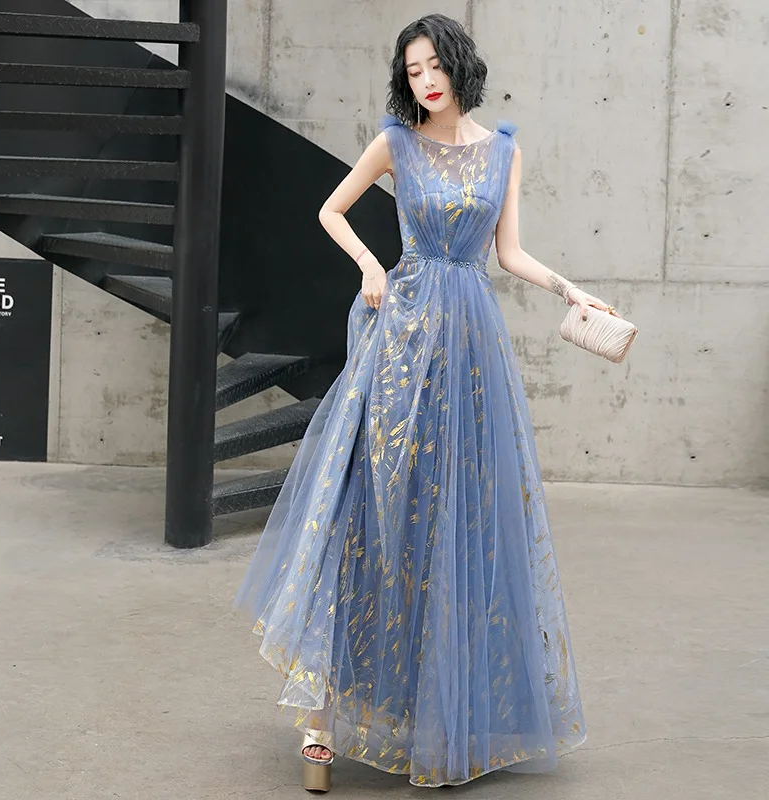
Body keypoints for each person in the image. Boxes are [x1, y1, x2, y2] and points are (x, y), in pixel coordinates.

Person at [234, 12, 612, 791]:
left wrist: (573, 291)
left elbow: (507, 253)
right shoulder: (395, 144)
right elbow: (330, 209)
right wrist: (372, 268)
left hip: (472, 343)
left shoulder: (502, 151)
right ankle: (320, 718)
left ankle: (442, 710)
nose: (426, 79)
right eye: (412, 70)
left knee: (459, 518)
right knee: (371, 507)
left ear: (459, 66)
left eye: (436, 64)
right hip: (402, 335)